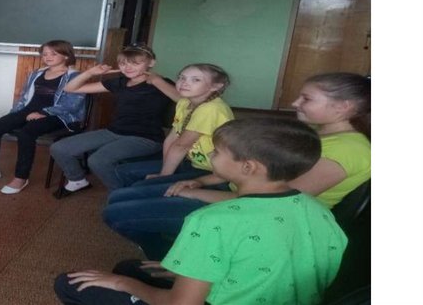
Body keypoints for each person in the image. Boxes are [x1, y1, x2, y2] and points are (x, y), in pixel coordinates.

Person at [54, 117, 347, 305]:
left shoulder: (212, 219)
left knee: (72, 284)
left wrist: (122, 284)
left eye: (217, 152)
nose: (209, 155)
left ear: (248, 167)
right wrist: (185, 273)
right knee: (132, 267)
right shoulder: (318, 210)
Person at [103, 72, 371, 260]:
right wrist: (201, 180)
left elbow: (272, 202)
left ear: (343, 107)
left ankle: (177, 263)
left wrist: (196, 193)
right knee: (119, 197)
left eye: (307, 99)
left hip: (263, 218)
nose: (294, 103)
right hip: (241, 192)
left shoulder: (348, 150)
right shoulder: (317, 134)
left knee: (117, 213)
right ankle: (183, 245)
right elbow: (258, 171)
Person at [47, 44, 176, 197]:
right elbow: (70, 89)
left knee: (98, 160)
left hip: (146, 137)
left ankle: (124, 194)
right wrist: (90, 72)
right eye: (123, 63)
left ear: (151, 62)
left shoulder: (161, 82)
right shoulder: (119, 82)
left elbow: (184, 100)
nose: (128, 67)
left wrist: (157, 81)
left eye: (135, 63)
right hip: (114, 131)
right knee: (59, 148)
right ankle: (77, 180)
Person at [0, 40, 85, 194]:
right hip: (29, 111)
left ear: (66, 56)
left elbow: (72, 104)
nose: (48, 57)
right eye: (45, 54)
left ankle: (21, 178)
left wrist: (44, 113)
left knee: (26, 133)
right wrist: (14, 114)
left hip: (59, 116)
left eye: (53, 54)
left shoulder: (74, 76)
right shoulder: (37, 73)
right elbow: (25, 98)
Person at [111, 63, 233, 189]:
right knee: (124, 171)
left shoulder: (211, 109)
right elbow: (172, 138)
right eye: (182, 78)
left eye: (196, 80)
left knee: (145, 186)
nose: (184, 83)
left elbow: (181, 146)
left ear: (215, 86)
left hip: (214, 171)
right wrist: (165, 168)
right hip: (192, 162)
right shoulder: (184, 103)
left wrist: (163, 176)